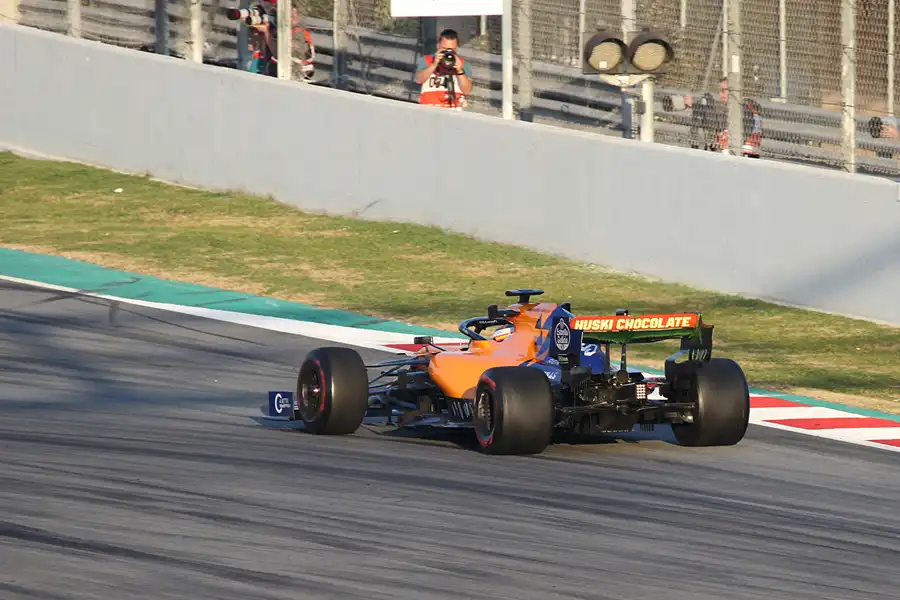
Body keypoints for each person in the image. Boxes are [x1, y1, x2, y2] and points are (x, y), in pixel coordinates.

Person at [678, 78, 763, 158]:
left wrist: (695, 105)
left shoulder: (743, 108)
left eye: (723, 91)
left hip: (743, 156)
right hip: (737, 155)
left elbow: (718, 120)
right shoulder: (743, 106)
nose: (720, 94)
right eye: (719, 91)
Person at [250, 0, 315, 81]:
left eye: (293, 16)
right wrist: (259, 33)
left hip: (297, 76)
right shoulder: (277, 30)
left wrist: (267, 32)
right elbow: (262, 54)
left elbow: (279, 53)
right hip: (277, 73)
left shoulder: (300, 33)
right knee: (259, 62)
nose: (290, 18)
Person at [414, 29, 473, 110]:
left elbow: (467, 91)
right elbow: (418, 79)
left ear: (456, 48)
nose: (448, 53)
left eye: (451, 50)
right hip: (429, 109)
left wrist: (460, 71)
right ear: (438, 46)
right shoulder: (427, 60)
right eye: (444, 49)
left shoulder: (462, 64)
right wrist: (434, 64)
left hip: (453, 111)